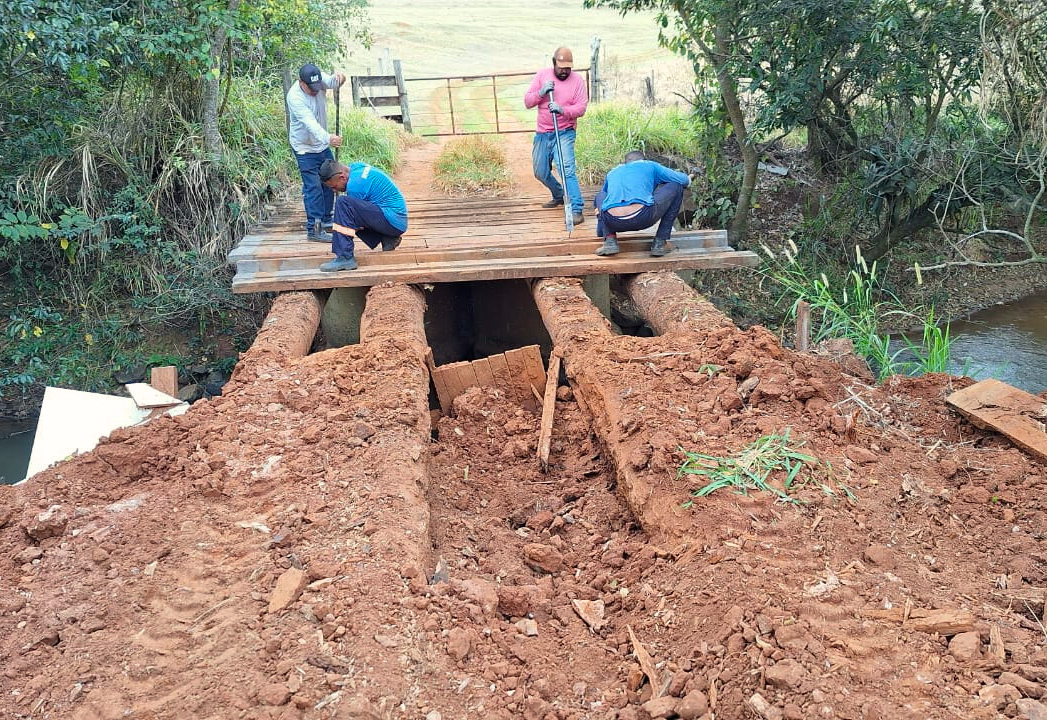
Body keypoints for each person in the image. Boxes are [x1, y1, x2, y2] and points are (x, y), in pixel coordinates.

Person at [524, 47, 588, 225]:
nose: (565, 71)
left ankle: (576, 209)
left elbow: (581, 108)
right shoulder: (542, 76)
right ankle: (559, 195)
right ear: (554, 63)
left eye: (568, 68)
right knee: (540, 172)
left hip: (565, 132)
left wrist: (562, 110)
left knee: (566, 169)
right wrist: (541, 92)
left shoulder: (577, 81)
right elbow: (528, 102)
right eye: (561, 68)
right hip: (543, 133)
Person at [286, 63, 346, 242]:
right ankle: (314, 229)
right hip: (304, 147)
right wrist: (328, 138)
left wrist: (340, 79)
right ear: (301, 82)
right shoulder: (295, 97)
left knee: (330, 180)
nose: (315, 91)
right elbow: (310, 123)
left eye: (317, 87)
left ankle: (327, 219)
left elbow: (335, 82)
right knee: (313, 187)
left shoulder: (319, 81)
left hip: (321, 145)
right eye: (311, 88)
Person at [593, 151, 691, 257]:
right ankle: (660, 242)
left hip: (611, 220)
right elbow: (683, 180)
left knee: (601, 195)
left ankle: (609, 239)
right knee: (676, 185)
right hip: (643, 217)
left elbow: (604, 201)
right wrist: (689, 178)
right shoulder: (649, 165)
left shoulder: (613, 172)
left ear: (625, 162)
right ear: (644, 160)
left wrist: (601, 229)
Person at [316, 159, 408, 272]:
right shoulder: (356, 168)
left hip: (392, 221)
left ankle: (345, 257)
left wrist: (340, 227)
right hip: (395, 219)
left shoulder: (355, 185)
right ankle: (388, 238)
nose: (334, 191)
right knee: (346, 212)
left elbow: (351, 219)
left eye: (334, 187)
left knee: (343, 204)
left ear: (342, 177)